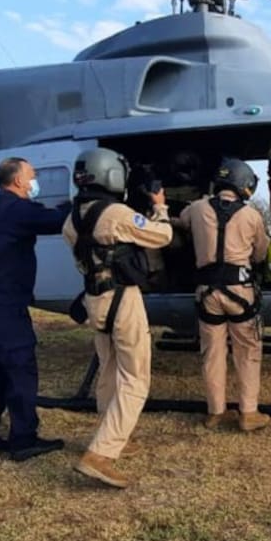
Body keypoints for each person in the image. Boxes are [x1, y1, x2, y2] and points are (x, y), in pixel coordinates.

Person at [62, 147, 174, 488]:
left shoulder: (72, 218)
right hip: (122, 299)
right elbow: (162, 236)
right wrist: (160, 206)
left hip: (95, 299)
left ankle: (111, 434)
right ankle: (102, 454)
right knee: (136, 377)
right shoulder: (116, 214)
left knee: (108, 367)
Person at [0, 157, 71, 461]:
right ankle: (24, 439)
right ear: (19, 181)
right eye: (32, 176)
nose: (35, 181)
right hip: (4, 307)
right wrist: (76, 203)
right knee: (21, 370)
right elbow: (54, 221)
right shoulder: (16, 208)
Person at [175, 158, 271, 432]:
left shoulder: (196, 208)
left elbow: (180, 223)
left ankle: (216, 411)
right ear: (244, 185)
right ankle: (248, 413)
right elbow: (261, 253)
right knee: (248, 351)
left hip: (207, 294)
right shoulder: (251, 215)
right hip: (240, 293)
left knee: (212, 353)